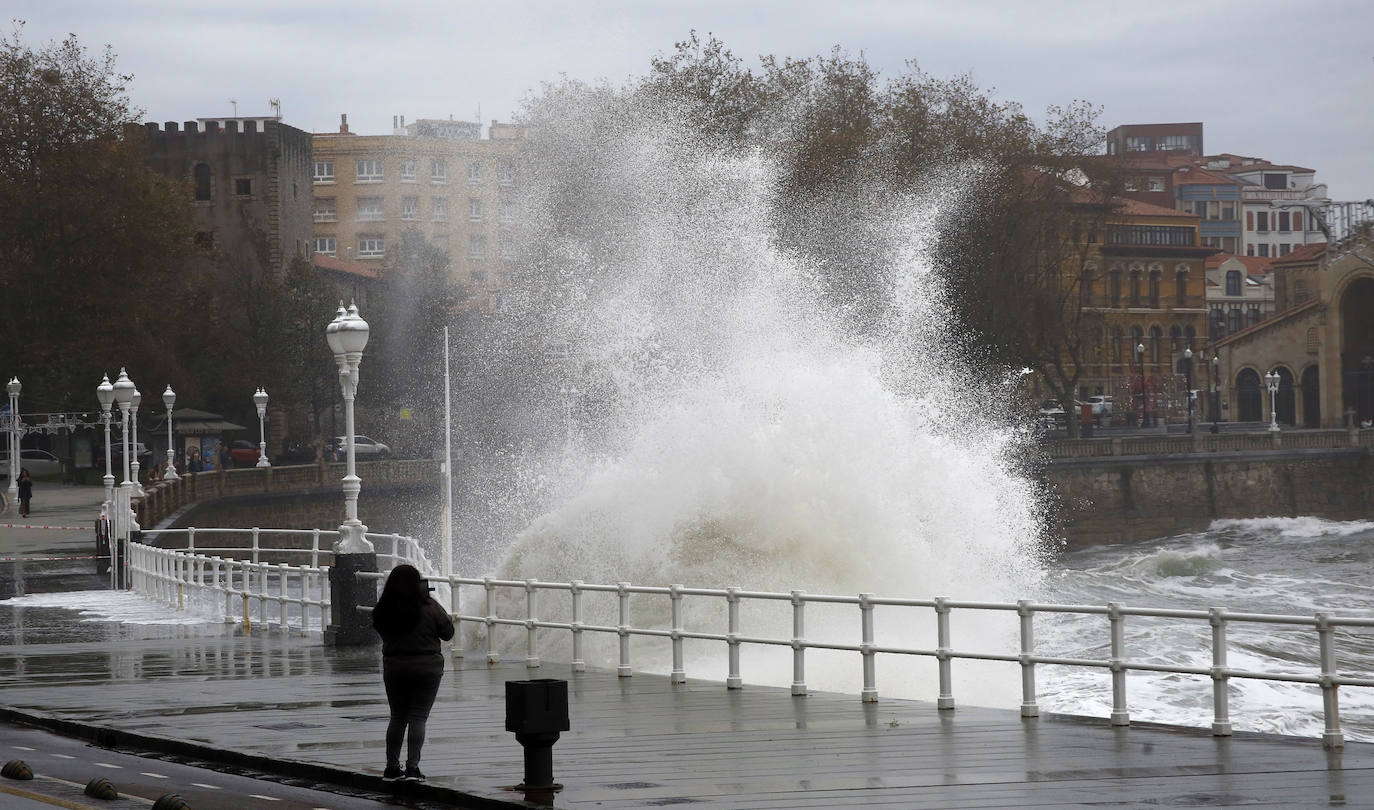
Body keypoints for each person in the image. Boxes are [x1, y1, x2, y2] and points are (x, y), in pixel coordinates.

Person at [372, 564, 454, 782]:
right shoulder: (429, 606)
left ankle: (391, 768)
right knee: (418, 717)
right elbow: (448, 633)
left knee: (398, 718)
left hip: (395, 669)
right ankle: (412, 769)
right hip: (427, 670)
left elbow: (380, 629)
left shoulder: (384, 610)